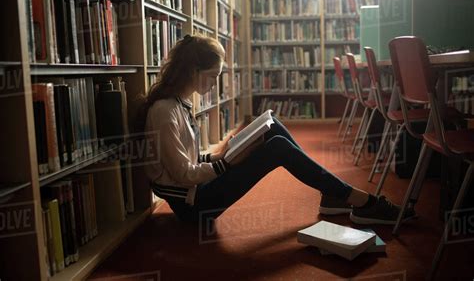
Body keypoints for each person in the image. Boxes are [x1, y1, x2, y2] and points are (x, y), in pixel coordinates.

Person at [136, 34, 414, 228]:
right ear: (193, 71)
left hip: (200, 188)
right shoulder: (165, 111)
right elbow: (184, 174)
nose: (215, 85)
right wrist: (226, 163)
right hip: (194, 206)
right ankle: (357, 199)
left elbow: (191, 159)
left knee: (272, 127)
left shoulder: (178, 104)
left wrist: (224, 153)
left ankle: (332, 193)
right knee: (278, 147)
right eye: (213, 77)